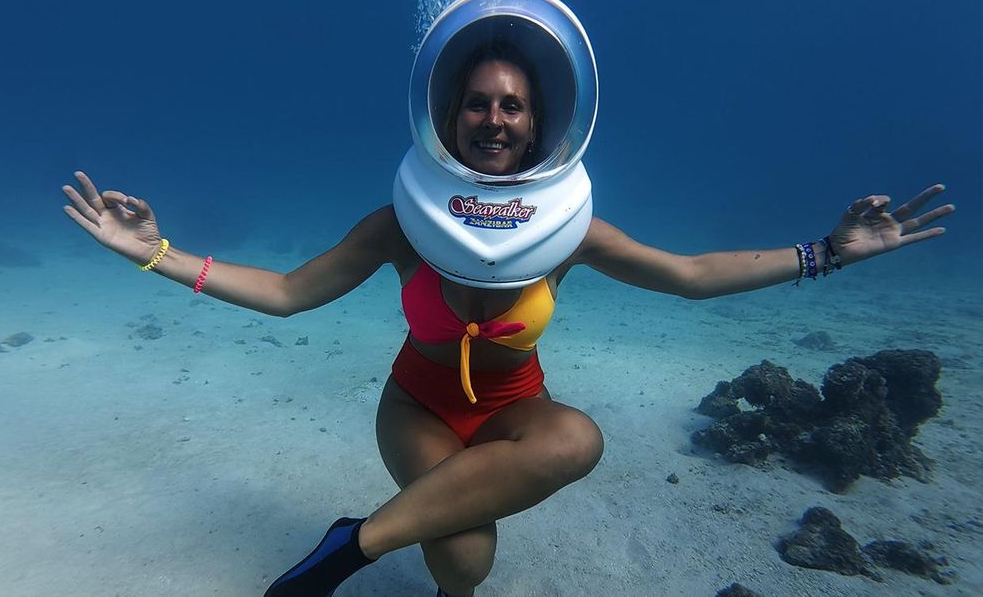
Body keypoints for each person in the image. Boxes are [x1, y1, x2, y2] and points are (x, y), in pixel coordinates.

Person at [62, 43, 954, 597]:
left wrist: (827, 252)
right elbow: (291, 292)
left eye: (513, 105)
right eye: (479, 102)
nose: (494, 116)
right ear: (450, 116)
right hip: (416, 406)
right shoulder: (401, 222)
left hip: (516, 406)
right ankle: (412, 554)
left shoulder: (567, 230)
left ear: (537, 127)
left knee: (578, 441)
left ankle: (349, 549)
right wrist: (152, 250)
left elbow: (687, 275)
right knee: (465, 564)